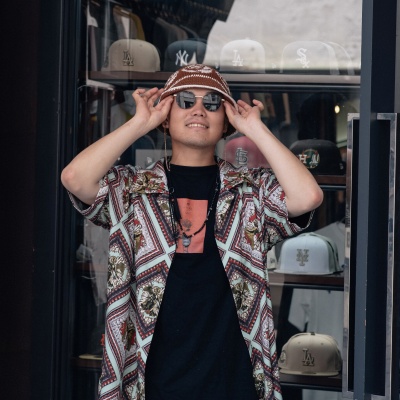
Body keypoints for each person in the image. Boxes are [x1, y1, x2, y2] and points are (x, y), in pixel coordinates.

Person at [61, 64, 323, 400]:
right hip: (151, 381)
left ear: (226, 122)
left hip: (234, 380)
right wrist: (140, 123)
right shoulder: (134, 190)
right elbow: (75, 178)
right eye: (185, 100)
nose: (199, 109)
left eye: (212, 103)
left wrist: (255, 129)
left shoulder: (250, 191)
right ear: (166, 117)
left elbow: (307, 197)